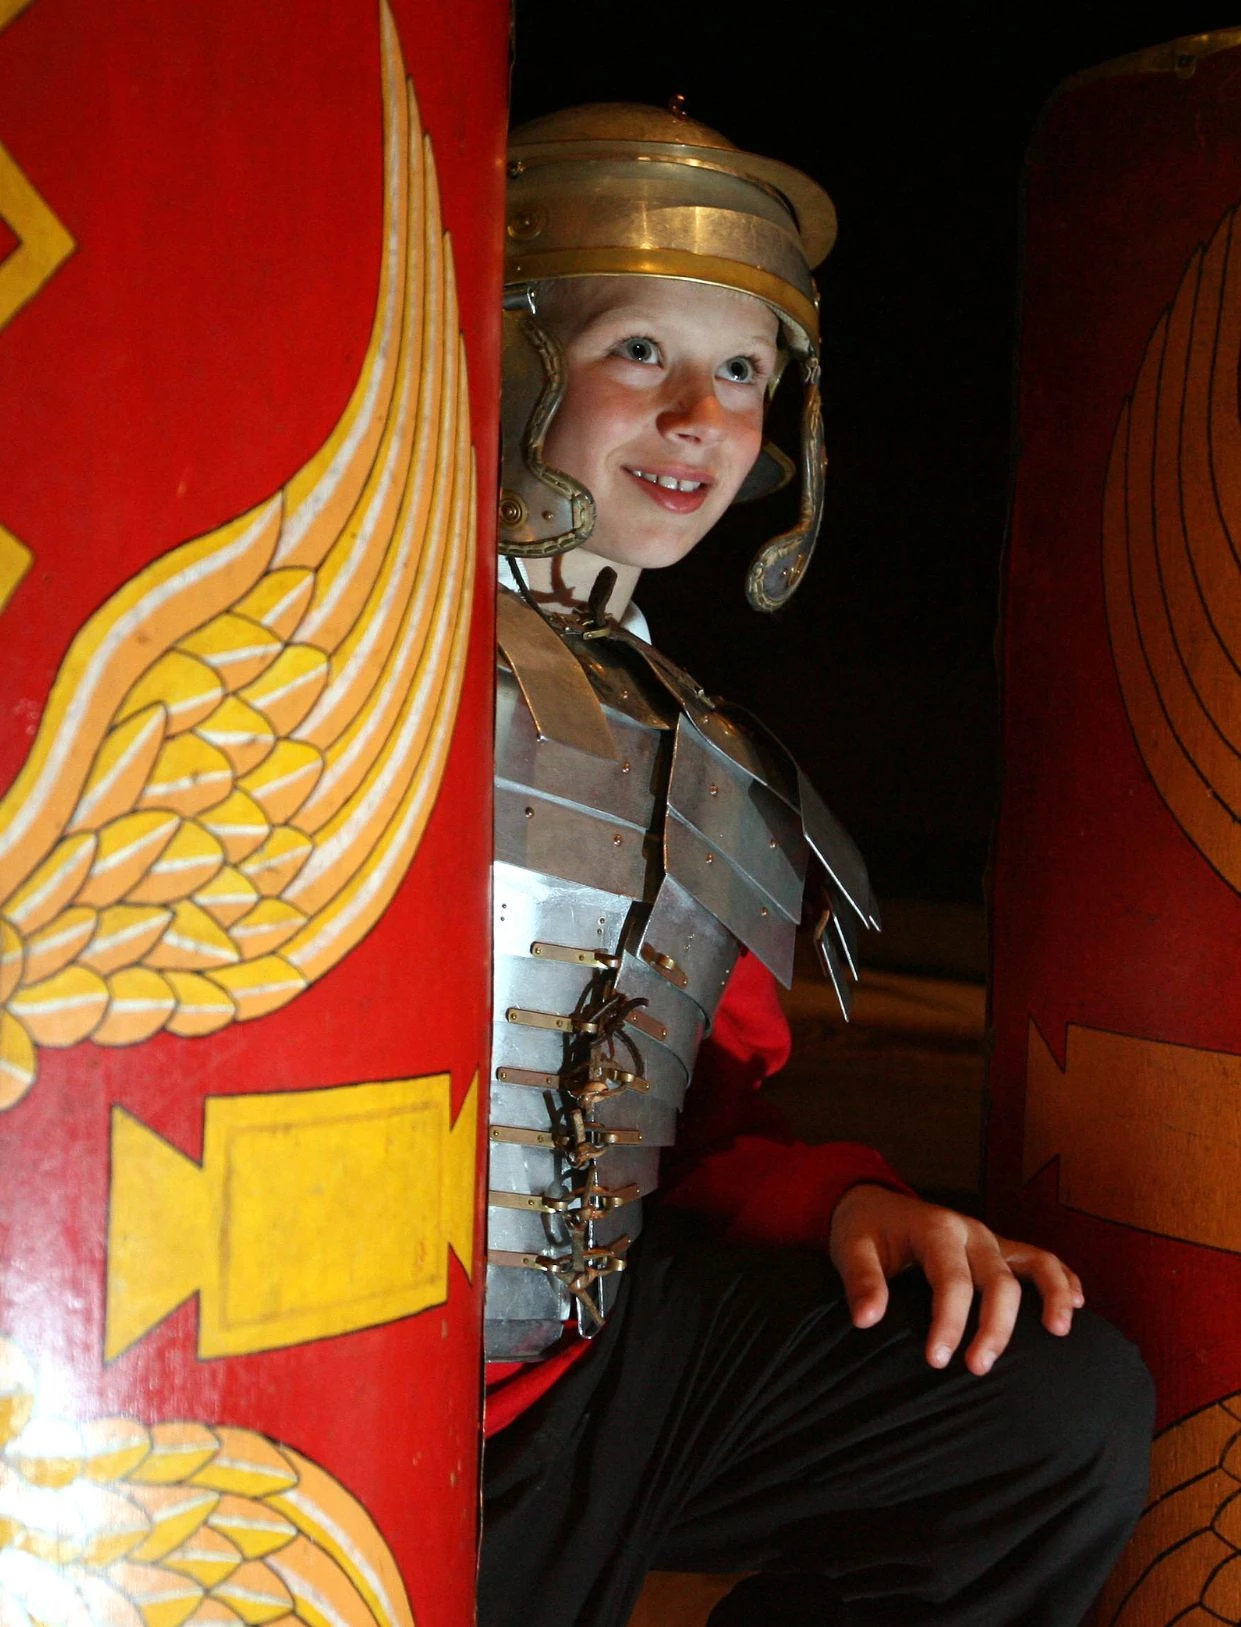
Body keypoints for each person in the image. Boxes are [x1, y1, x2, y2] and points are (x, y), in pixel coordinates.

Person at [480, 102, 1153, 1626]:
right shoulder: (355, 667)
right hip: (337, 1344)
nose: (702, 417)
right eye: (640, 348)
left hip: (592, 1365)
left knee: (1038, 1413)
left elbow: (682, 1133)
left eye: (744, 371)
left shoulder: (703, 753)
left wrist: (841, 1201)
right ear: (512, 351)